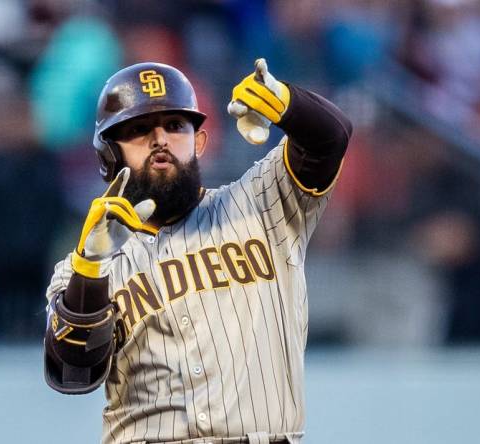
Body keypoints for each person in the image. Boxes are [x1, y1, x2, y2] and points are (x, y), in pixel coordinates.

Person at [43, 59, 351, 444]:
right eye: (139, 130)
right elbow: (73, 374)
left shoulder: (261, 203)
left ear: (199, 142)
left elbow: (330, 139)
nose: (160, 140)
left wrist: (288, 102)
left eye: (175, 126)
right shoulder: (82, 269)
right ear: (108, 158)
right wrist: (91, 269)